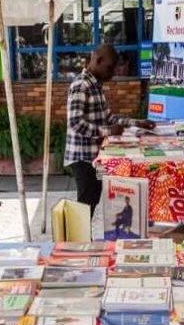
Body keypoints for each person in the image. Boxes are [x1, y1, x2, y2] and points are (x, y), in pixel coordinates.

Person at [64, 45, 153, 216]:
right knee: (86, 203)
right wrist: (108, 132)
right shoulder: (81, 85)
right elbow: (76, 123)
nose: (113, 73)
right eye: (110, 68)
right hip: (83, 157)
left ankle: (83, 233)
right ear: (98, 61)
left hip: (94, 156)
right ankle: (78, 234)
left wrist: (137, 123)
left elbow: (109, 118)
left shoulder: (96, 85)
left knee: (92, 199)